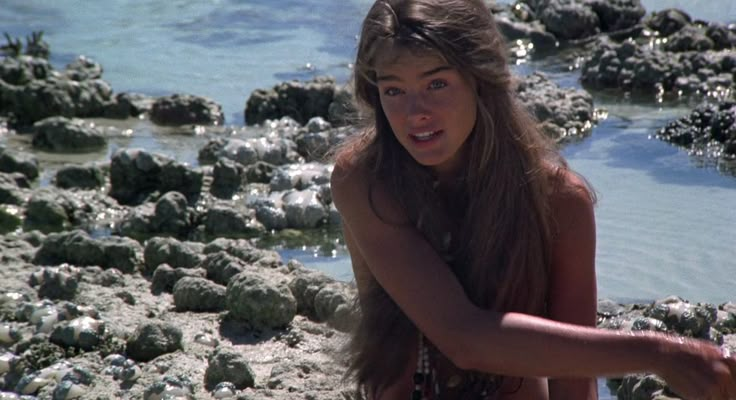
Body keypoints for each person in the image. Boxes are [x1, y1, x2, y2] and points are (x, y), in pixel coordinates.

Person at [329, 0, 736, 399]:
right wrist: (660, 353)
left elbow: (575, 386)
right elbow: (462, 336)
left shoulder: (559, 202)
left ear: (482, 80)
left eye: (437, 83)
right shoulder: (367, 180)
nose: (415, 112)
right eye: (393, 90)